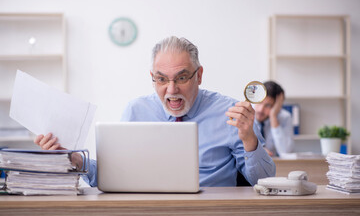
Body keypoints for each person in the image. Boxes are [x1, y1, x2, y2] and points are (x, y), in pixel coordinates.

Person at [35, 36, 276, 187]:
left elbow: (263, 181)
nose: (172, 90)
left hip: (213, 215)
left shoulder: (230, 112)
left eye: (181, 77)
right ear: (152, 77)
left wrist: (249, 140)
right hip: (148, 213)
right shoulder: (136, 110)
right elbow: (111, 175)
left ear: (199, 75)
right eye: (161, 79)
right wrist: (77, 161)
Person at [254, 81, 294, 157]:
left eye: (268, 105)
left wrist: (273, 116)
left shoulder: (284, 117)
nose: (260, 110)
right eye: (260, 102)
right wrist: (257, 151)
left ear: (277, 106)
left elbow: (286, 152)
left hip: (274, 165)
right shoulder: (246, 113)